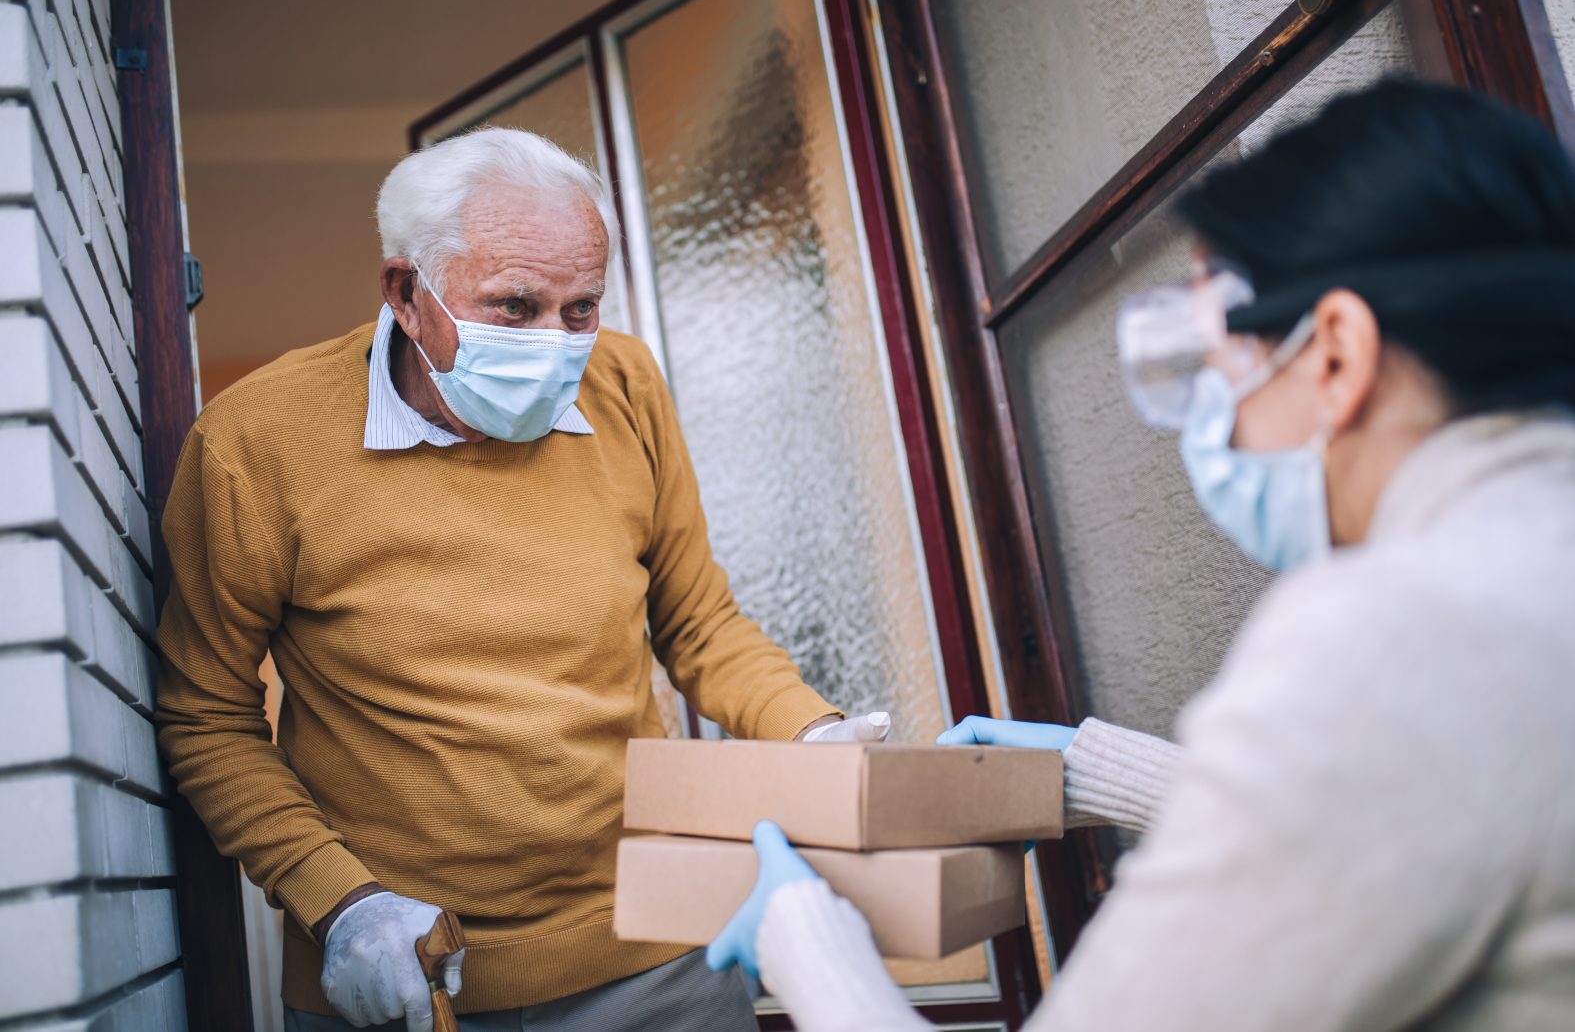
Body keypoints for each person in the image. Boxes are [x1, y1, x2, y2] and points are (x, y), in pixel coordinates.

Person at [706, 78, 1575, 1030]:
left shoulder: (1399, 629)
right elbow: (1433, 810)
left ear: (1334, 355)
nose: (1215, 424)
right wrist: (1102, 772)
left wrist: (805, 943)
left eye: (1219, 372)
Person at [154, 127, 889, 1032]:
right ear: (406, 293)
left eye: (580, 309)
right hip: (409, 972)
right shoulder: (254, 444)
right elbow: (204, 713)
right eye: (514, 305)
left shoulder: (624, 384)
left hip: (660, 950)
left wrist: (812, 734)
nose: (556, 342)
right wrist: (339, 903)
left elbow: (696, 624)